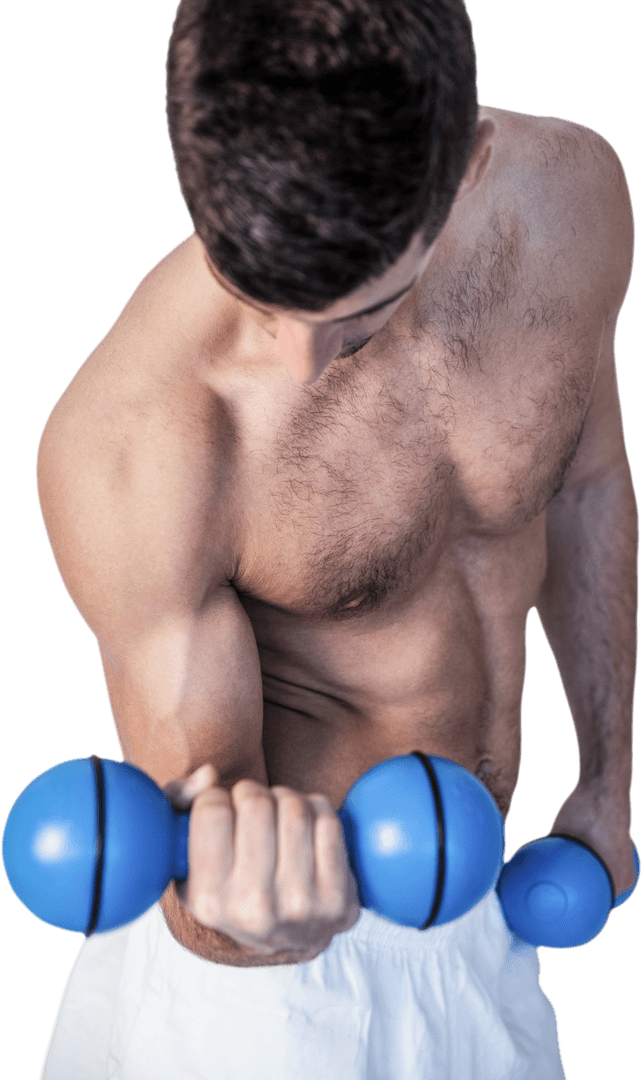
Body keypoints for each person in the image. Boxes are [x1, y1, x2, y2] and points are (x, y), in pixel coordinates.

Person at [35, 1, 636, 1077]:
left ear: (468, 168)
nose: (300, 361)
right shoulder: (135, 443)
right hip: (263, 1011)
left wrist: (611, 769)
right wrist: (243, 920)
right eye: (257, 298)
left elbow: (583, 482)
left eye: (356, 319)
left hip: (485, 936)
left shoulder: (574, 201)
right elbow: (201, 824)